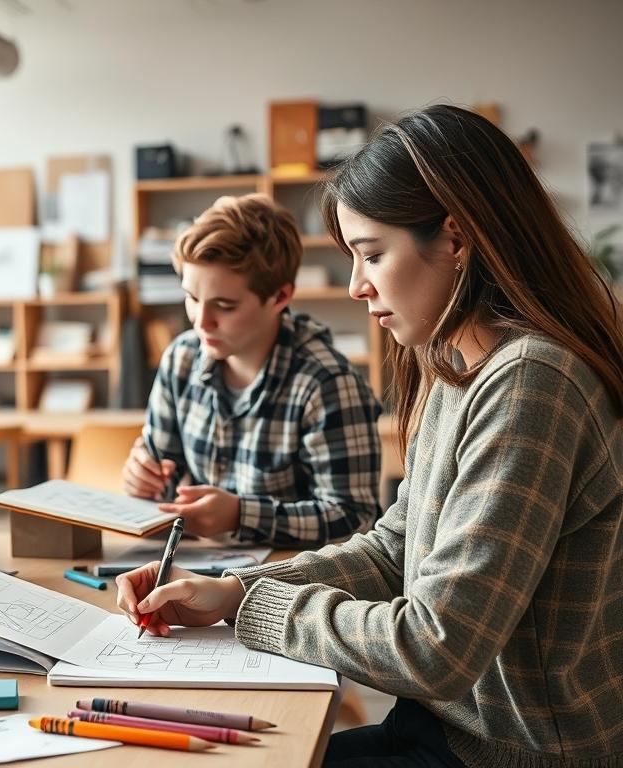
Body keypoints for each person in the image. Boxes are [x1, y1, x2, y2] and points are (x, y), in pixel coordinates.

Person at [117, 104, 623, 766]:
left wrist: (255, 610)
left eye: (373, 254)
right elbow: (394, 548)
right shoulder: (461, 367)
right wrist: (232, 592)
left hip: (509, 753)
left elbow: (433, 647)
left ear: (457, 239)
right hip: (447, 732)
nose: (357, 285)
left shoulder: (532, 381)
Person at [121, 193, 382, 547]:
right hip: (197, 568)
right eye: (192, 298)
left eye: (224, 306)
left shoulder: (327, 384)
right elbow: (162, 479)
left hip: (288, 587)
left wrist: (241, 515)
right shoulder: (180, 359)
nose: (202, 322)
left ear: (280, 297)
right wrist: (143, 479)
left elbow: (357, 520)